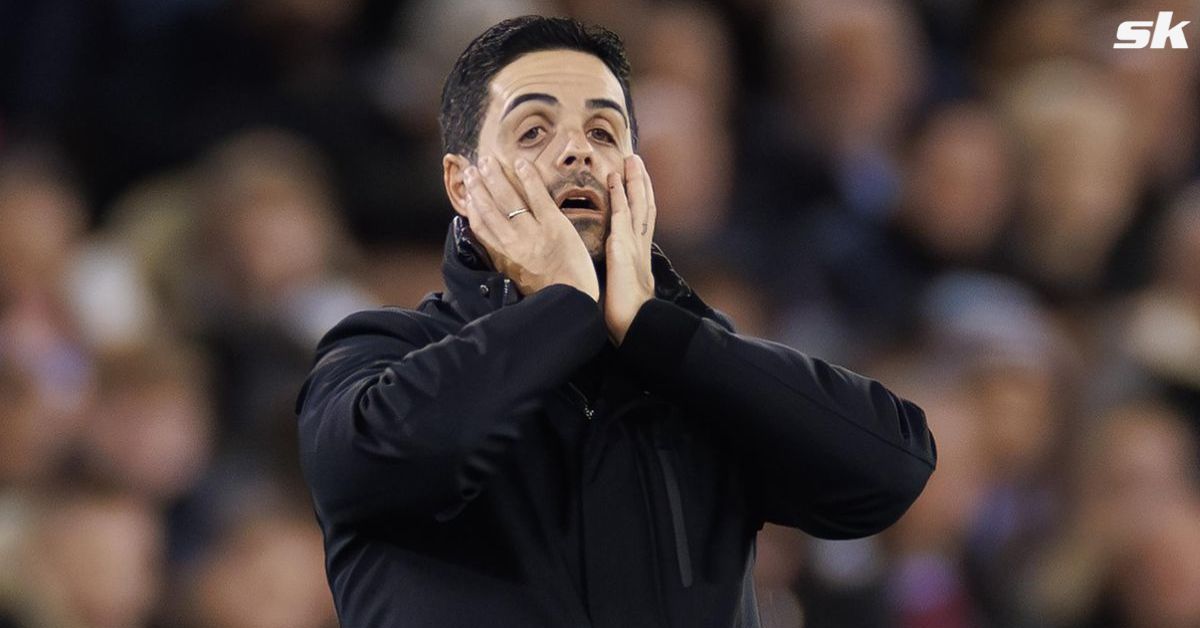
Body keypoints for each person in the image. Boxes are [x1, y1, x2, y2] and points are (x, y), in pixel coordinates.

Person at [295, 15, 936, 628]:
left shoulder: (689, 373)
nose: (577, 151)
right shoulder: (382, 352)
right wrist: (561, 308)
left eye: (604, 133)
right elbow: (380, 463)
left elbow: (889, 470)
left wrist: (659, 328)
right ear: (463, 185)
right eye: (534, 131)